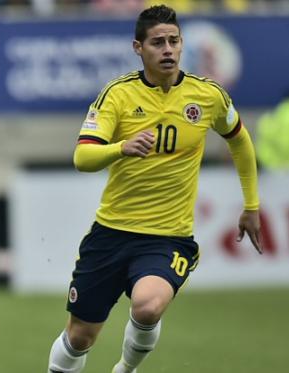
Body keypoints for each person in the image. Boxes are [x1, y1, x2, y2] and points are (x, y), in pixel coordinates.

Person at [47, 5, 262, 373]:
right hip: (111, 233)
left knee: (148, 305)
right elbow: (82, 157)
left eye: (174, 41)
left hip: (168, 237)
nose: (168, 49)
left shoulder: (208, 96)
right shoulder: (118, 95)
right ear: (138, 47)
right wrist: (121, 148)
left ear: (182, 45)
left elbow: (240, 141)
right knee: (81, 336)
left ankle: (126, 370)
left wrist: (252, 205)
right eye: (158, 42)